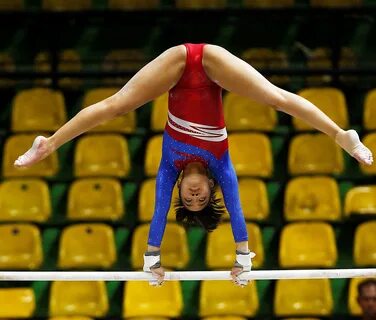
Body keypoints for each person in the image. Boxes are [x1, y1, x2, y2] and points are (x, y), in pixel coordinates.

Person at [14, 43, 373, 286]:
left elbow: (157, 214)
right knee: (275, 99)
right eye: (203, 199)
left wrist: (151, 262)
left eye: (189, 200)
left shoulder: (170, 169)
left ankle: (48, 144)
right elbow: (236, 210)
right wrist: (243, 260)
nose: (196, 195)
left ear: (181, 192)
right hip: (214, 66)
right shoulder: (221, 166)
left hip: (176, 66)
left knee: (119, 106)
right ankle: (342, 136)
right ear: (211, 188)